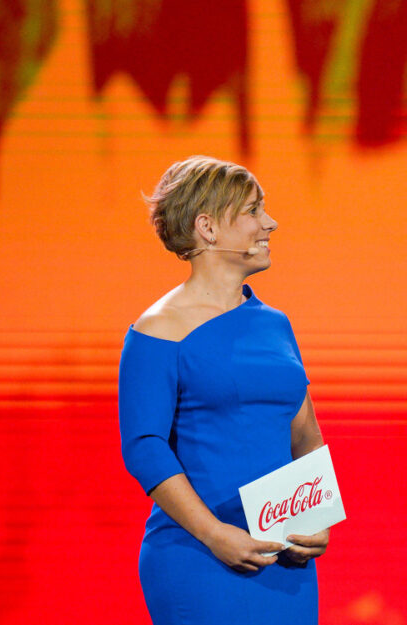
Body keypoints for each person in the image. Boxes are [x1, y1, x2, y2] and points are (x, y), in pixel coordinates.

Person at [119, 156, 330, 624]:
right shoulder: (158, 329)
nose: (270, 223)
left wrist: (314, 518)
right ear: (207, 227)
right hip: (199, 557)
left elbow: (306, 436)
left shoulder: (277, 325)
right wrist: (215, 534)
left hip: (285, 562)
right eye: (254, 211)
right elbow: (144, 447)